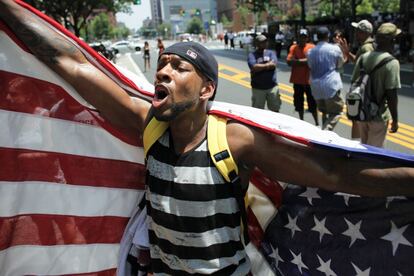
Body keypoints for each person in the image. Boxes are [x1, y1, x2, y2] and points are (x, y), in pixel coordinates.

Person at [3, 1, 414, 274]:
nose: (163, 72)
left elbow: (337, 174)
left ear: (205, 90)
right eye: (162, 65)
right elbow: (68, 63)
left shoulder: (233, 141)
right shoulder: (148, 125)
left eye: (179, 68)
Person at [350, 23, 401, 148]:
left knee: (364, 147)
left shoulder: (363, 58)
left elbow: (353, 83)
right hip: (378, 116)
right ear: (392, 40)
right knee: (374, 155)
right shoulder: (392, 62)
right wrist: (395, 120)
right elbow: (391, 94)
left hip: (362, 113)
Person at [307, 26, 346, 131]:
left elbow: (310, 66)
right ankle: (326, 130)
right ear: (328, 36)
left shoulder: (310, 52)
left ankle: (324, 134)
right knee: (337, 112)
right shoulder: (335, 49)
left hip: (316, 87)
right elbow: (340, 65)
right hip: (331, 85)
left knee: (324, 111)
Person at [286, 29, 318, 125]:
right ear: (298, 38)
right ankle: (302, 122)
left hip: (310, 81)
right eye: (301, 37)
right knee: (299, 103)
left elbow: (313, 61)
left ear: (307, 38)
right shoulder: (293, 48)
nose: (302, 39)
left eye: (304, 37)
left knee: (312, 103)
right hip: (297, 80)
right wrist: (305, 61)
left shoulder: (312, 47)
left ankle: (317, 123)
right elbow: (288, 61)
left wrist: (297, 61)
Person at [247, 34, 281, 112]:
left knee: (275, 110)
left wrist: (261, 66)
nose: (265, 43)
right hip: (258, 88)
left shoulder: (271, 53)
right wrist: (267, 65)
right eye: (262, 42)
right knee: (258, 112)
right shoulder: (252, 55)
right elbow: (254, 67)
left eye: (265, 41)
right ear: (257, 44)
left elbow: (274, 64)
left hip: (272, 87)